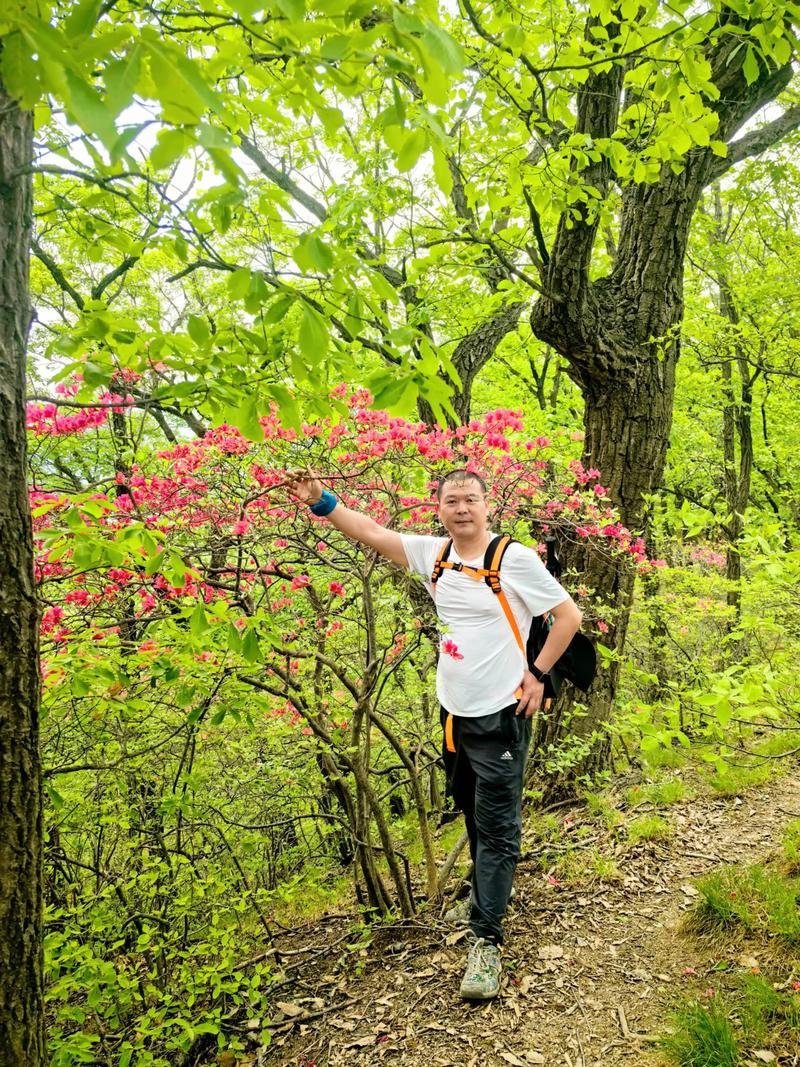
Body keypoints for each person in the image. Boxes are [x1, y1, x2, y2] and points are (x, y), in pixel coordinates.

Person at [286, 467, 582, 1000]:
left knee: (496, 828)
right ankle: (482, 893)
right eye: (452, 501)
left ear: (487, 505)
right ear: (439, 508)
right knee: (469, 810)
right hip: (453, 714)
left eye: (471, 499)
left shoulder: (512, 558)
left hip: (500, 713)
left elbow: (567, 616)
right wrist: (320, 500)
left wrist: (537, 674)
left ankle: (486, 942)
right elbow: (373, 533)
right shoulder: (434, 555)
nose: (462, 508)